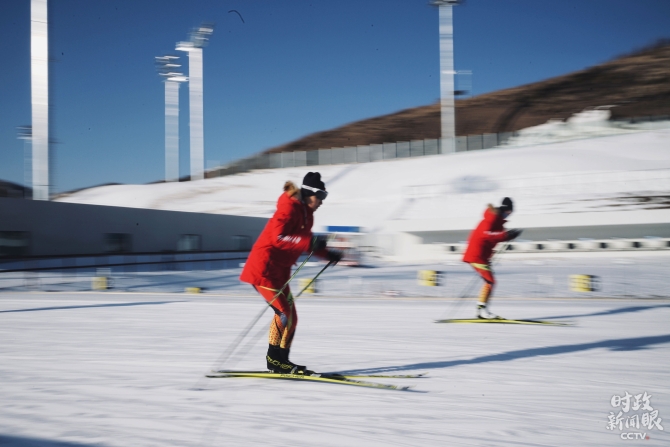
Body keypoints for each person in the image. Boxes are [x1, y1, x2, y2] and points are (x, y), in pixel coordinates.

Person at [240, 172, 342, 374]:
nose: (322, 201)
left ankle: (283, 360)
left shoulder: (307, 215)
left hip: (280, 273)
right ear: (310, 194)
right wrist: (310, 242)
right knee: (283, 313)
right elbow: (278, 237)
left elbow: (306, 241)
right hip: (263, 270)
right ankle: (273, 360)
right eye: (321, 196)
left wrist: (327, 254)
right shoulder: (289, 207)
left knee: (292, 317)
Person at [462, 197, 522, 319]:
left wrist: (509, 236)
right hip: (476, 255)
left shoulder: (497, 221)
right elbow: (487, 235)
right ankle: (482, 311)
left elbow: (495, 238)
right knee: (490, 281)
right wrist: (506, 235)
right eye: (509, 211)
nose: (509, 214)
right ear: (507, 210)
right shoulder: (491, 218)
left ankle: (481, 310)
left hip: (481, 256)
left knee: (489, 281)